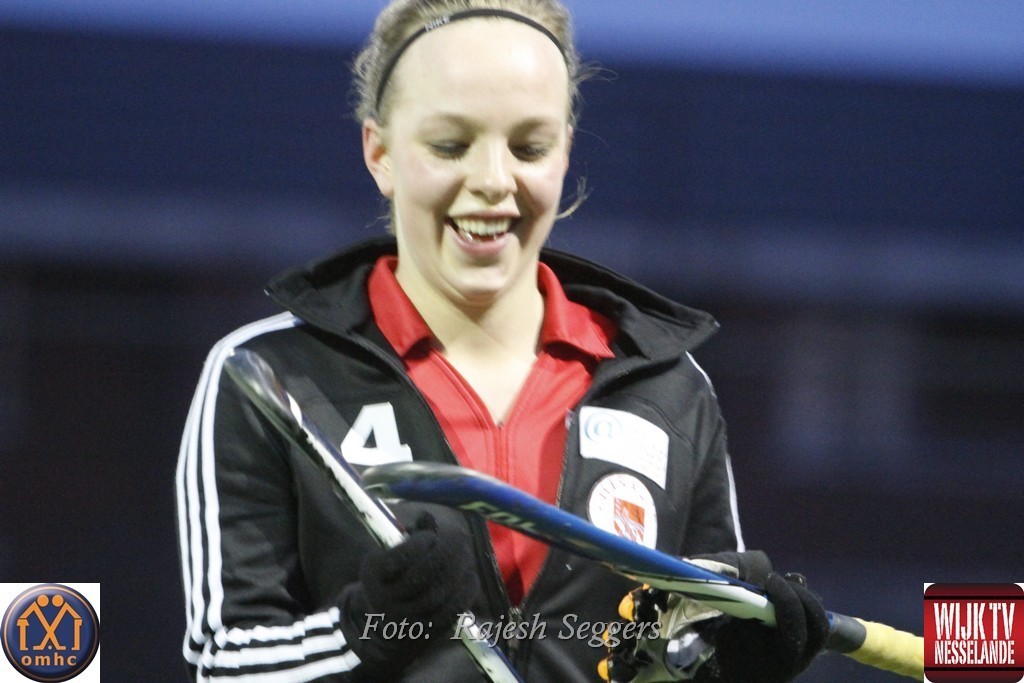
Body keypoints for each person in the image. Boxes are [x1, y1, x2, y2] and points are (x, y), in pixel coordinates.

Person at [175, 1, 829, 680]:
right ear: (380, 153)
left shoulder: (668, 388)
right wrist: (362, 631)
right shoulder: (268, 377)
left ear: (565, 151)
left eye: (529, 147)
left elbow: (684, 649)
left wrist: (737, 661)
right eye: (450, 145)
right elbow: (224, 664)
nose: (492, 181)